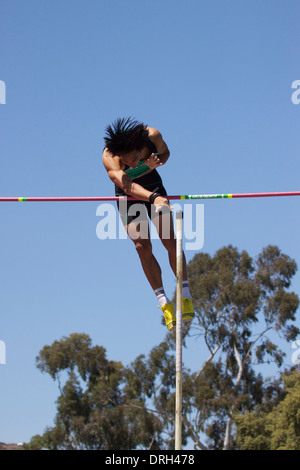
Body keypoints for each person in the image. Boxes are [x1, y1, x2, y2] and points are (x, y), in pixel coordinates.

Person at [102, 117, 194, 331]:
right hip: (129, 195)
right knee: (142, 247)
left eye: (133, 159)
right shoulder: (110, 156)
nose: (131, 164)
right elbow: (125, 185)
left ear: (138, 147)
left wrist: (156, 163)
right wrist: (151, 193)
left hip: (153, 186)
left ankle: (185, 293)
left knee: (170, 242)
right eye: (127, 163)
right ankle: (164, 302)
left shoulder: (152, 136)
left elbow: (165, 153)